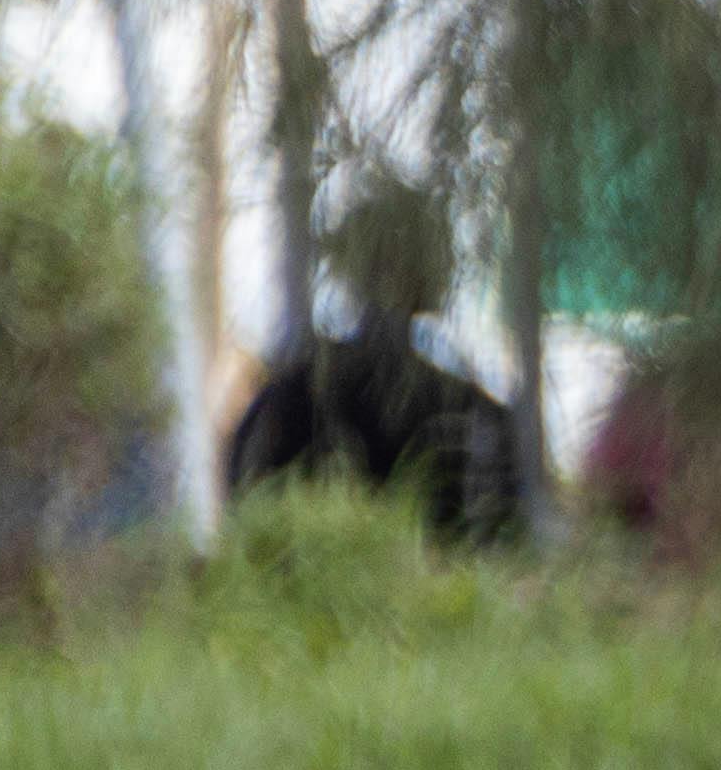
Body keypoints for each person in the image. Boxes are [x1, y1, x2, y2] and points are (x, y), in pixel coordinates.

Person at [220, 176, 531, 548]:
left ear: (346, 269)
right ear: (438, 275)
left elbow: (249, 527)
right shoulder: (476, 417)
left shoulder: (286, 404)